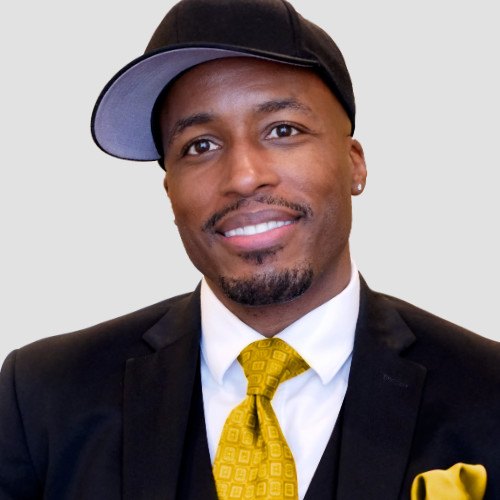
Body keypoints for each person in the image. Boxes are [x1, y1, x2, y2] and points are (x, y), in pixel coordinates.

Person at [1, 0, 499, 498]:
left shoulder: (487, 393)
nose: (243, 177)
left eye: (283, 130)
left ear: (354, 164)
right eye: (200, 145)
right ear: (170, 191)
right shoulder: (45, 398)